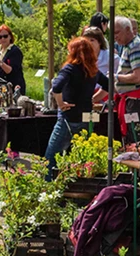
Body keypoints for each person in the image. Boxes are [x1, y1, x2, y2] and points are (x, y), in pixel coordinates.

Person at [45, 37, 109, 176]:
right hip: (86, 116)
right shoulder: (93, 71)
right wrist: (93, 99)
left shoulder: (70, 68)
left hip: (68, 117)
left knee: (52, 155)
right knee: (80, 155)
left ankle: (48, 185)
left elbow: (56, 86)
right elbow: (108, 86)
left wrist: (61, 103)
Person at [112, 17, 140, 96]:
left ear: (127, 29)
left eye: (117, 32)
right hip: (130, 97)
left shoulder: (135, 47)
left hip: (135, 99)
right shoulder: (129, 46)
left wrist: (116, 77)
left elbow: (138, 77)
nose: (114, 36)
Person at [0, 25, 26, 93]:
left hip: (14, 86)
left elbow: (10, 71)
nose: (3, 39)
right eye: (0, 37)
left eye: (5, 36)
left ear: (10, 36)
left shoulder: (15, 51)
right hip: (0, 86)